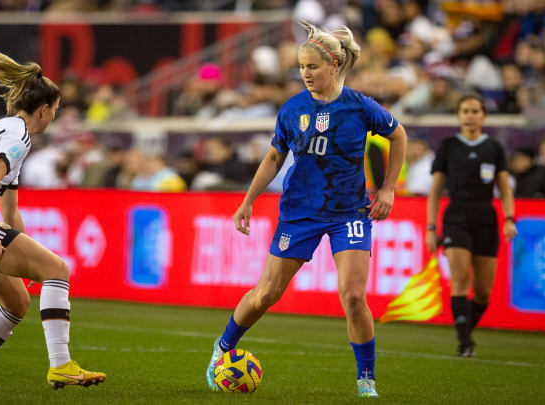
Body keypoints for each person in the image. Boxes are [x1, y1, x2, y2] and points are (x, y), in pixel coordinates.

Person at [205, 22, 408, 398]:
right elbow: (273, 156)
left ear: (333, 66)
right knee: (266, 294)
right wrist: (247, 201)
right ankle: (223, 347)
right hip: (299, 213)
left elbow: (398, 135)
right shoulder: (292, 109)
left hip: (349, 212)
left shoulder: (360, 107)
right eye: (301, 67)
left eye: (312, 67)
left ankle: (366, 381)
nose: (305, 74)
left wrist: (388, 187)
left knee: (351, 296)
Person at [0, 41, 106, 392]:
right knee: (59, 270)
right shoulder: (18, 135)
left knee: (17, 301)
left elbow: (9, 212)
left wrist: (27, 260)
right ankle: (62, 366)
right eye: (54, 110)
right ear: (42, 109)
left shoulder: (2, 128)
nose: (53, 117)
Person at [426, 94, 517, 358]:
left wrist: (509, 219)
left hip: (486, 217)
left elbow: (504, 187)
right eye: (465, 110)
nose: (470, 115)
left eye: (475, 110)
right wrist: (432, 228)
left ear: (483, 116)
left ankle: (465, 334)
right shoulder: (449, 146)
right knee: (461, 279)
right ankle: (465, 343)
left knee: (484, 292)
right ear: (458, 115)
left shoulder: (494, 148)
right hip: (456, 216)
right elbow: (435, 190)